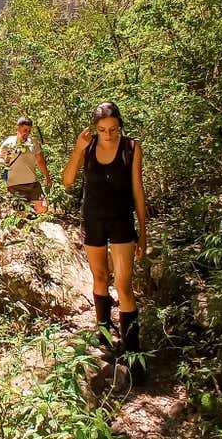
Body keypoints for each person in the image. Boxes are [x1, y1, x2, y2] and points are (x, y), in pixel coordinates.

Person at [62, 102, 147, 371]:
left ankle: (134, 354)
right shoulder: (87, 148)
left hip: (122, 220)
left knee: (124, 285)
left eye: (114, 129)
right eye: (102, 129)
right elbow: (67, 180)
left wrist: (143, 232)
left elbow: (138, 190)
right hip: (94, 219)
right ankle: (105, 334)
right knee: (100, 277)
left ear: (120, 126)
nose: (108, 134)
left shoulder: (131, 148)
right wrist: (77, 149)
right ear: (94, 129)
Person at [0, 117, 52, 214]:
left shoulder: (33, 142)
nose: (27, 133)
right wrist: (5, 161)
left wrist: (47, 177)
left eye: (29, 131)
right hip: (15, 185)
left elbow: (40, 161)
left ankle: (30, 220)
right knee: (22, 214)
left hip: (32, 183)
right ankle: (22, 221)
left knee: (43, 208)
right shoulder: (9, 143)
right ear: (18, 128)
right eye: (24, 130)